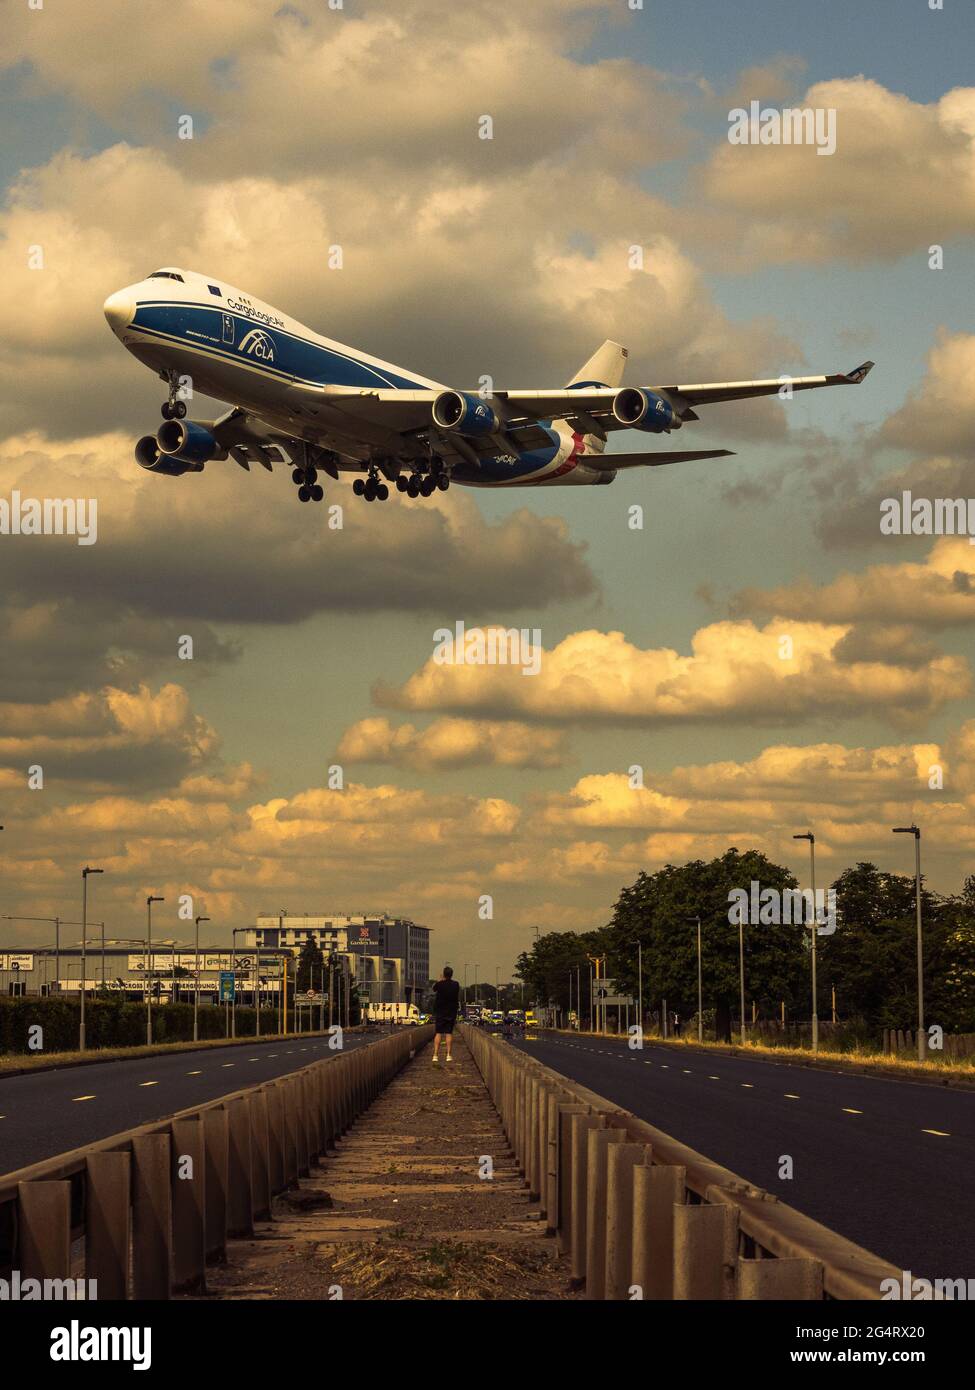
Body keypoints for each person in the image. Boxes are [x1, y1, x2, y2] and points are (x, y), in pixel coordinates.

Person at [431, 965, 461, 1063]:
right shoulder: (456, 984)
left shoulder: (440, 984)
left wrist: (440, 980)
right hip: (451, 1012)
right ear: (452, 975)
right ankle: (448, 1054)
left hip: (440, 1011)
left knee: (438, 1032)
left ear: (444, 974)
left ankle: (435, 1055)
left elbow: (434, 988)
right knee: (449, 1033)